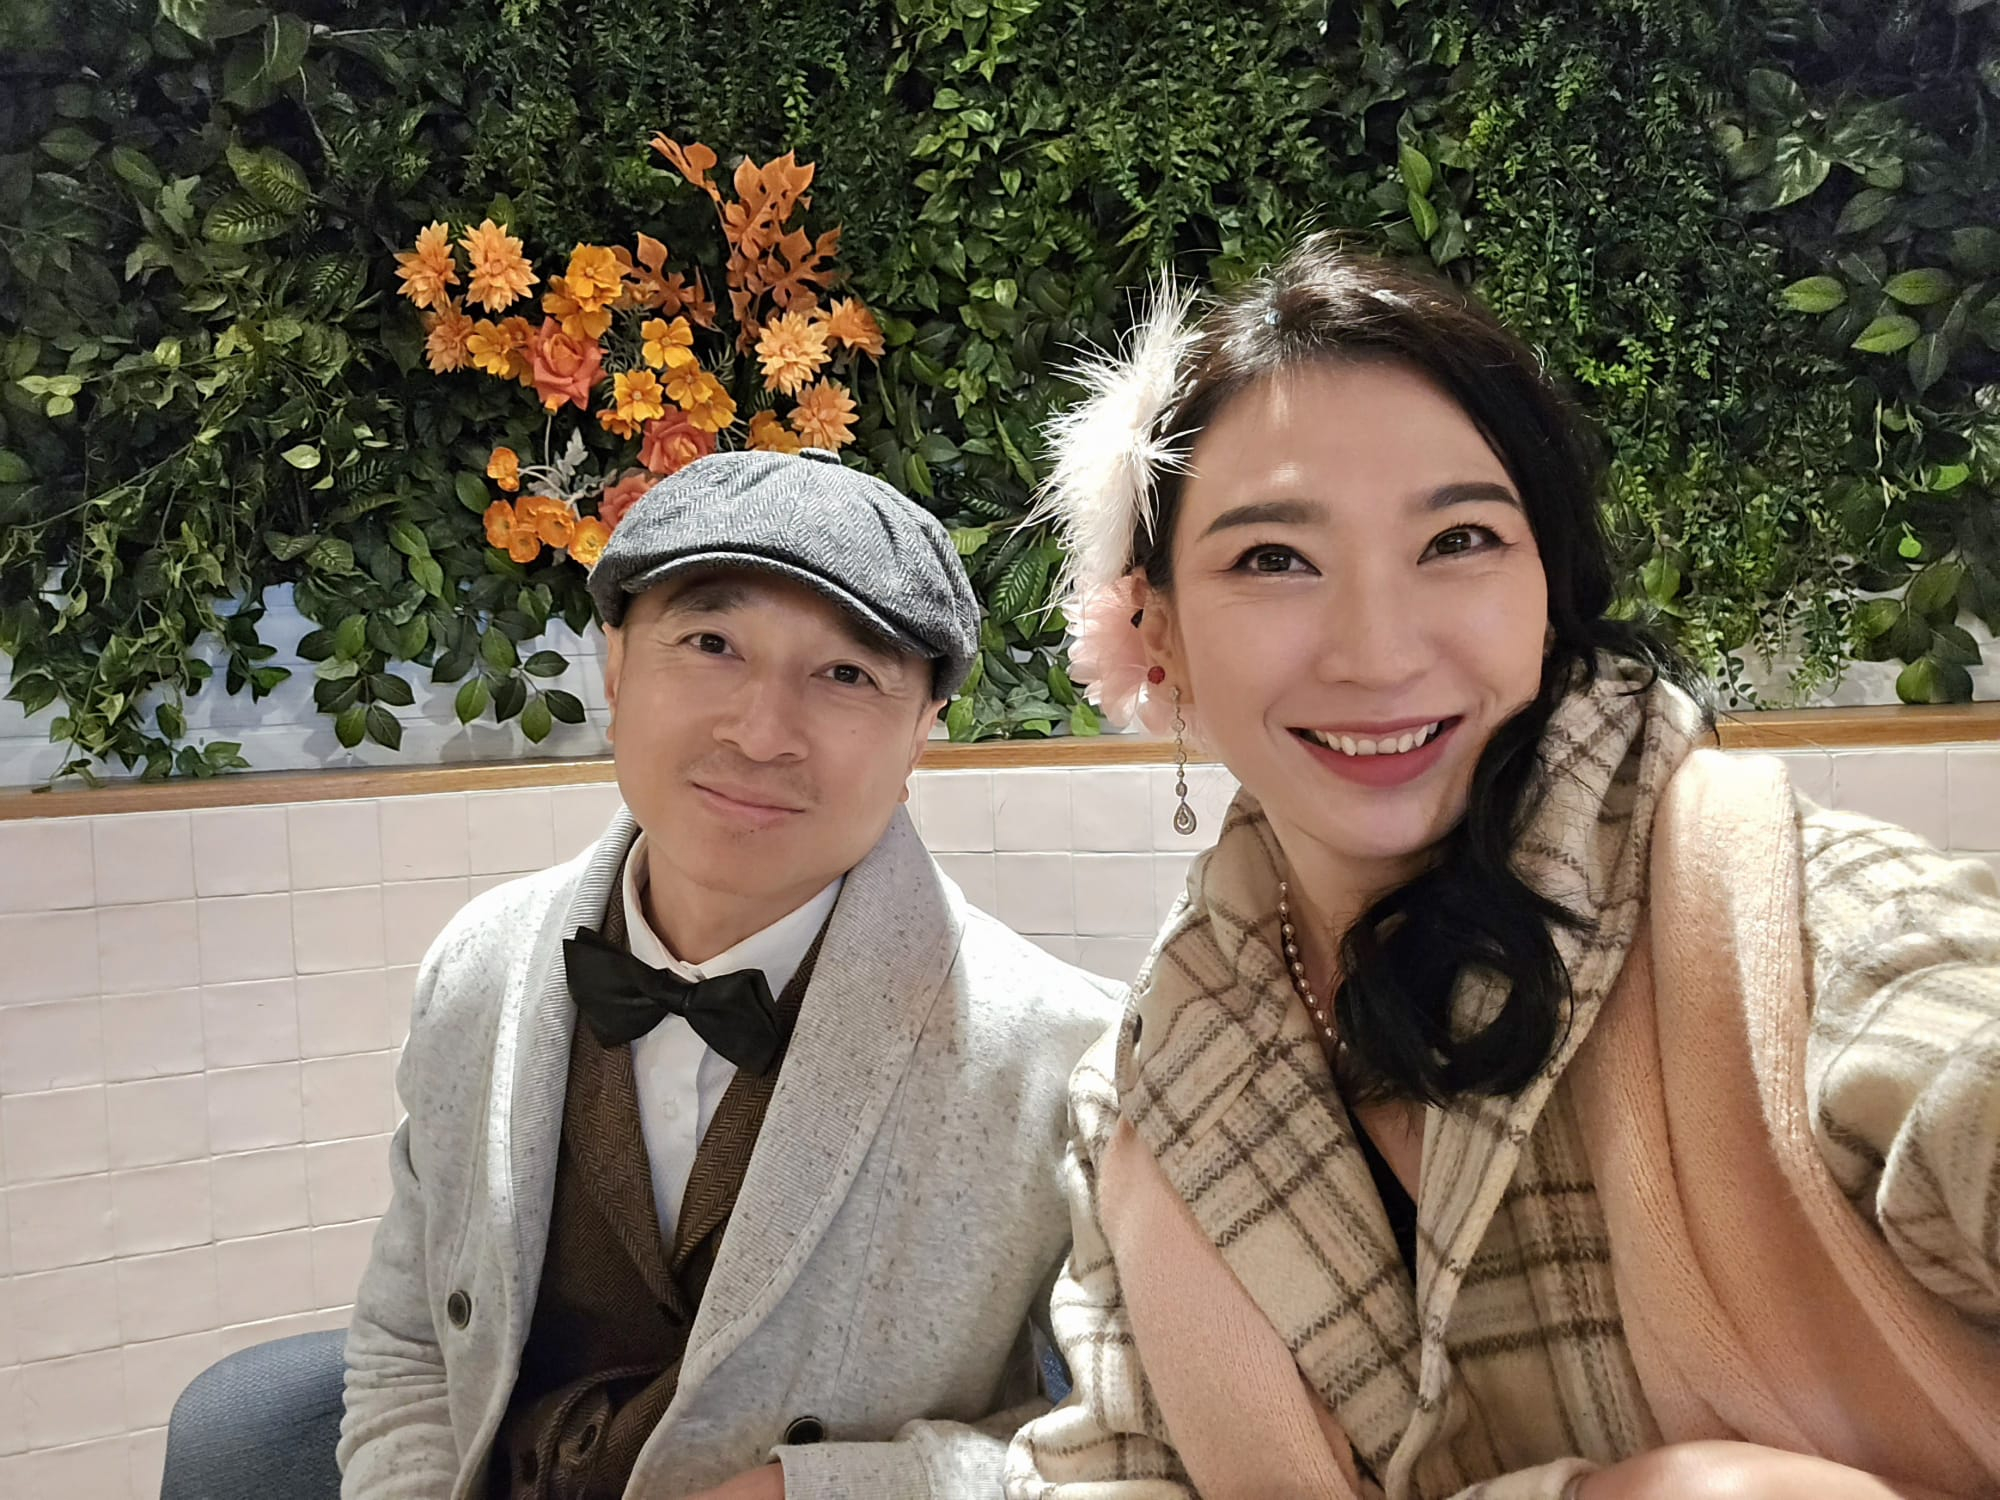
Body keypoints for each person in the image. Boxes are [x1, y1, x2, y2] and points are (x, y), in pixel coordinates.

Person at [1004, 239, 2000, 1500]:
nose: (1376, 653)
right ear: (1159, 634)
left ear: (1545, 588)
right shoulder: (1140, 1097)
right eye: (1271, 559)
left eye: (1458, 539)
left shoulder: (1776, 928)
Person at [340, 449, 1121, 1500]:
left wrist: (816, 1494)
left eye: (846, 675)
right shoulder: (476, 968)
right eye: (710, 643)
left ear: (920, 733)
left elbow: (1122, 1446)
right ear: (616, 667)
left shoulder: (1066, 1058)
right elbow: (407, 1348)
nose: (761, 734)